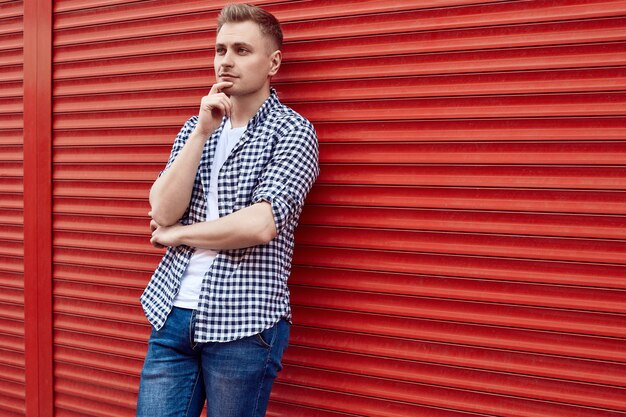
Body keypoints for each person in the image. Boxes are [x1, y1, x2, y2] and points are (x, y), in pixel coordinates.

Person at [136, 3, 319, 417]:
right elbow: (163, 211)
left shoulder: (293, 132)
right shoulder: (195, 126)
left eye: (241, 50)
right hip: (173, 314)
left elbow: (261, 224)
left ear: (273, 62)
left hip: (244, 322)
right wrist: (202, 133)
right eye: (220, 50)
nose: (226, 61)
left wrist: (178, 235)